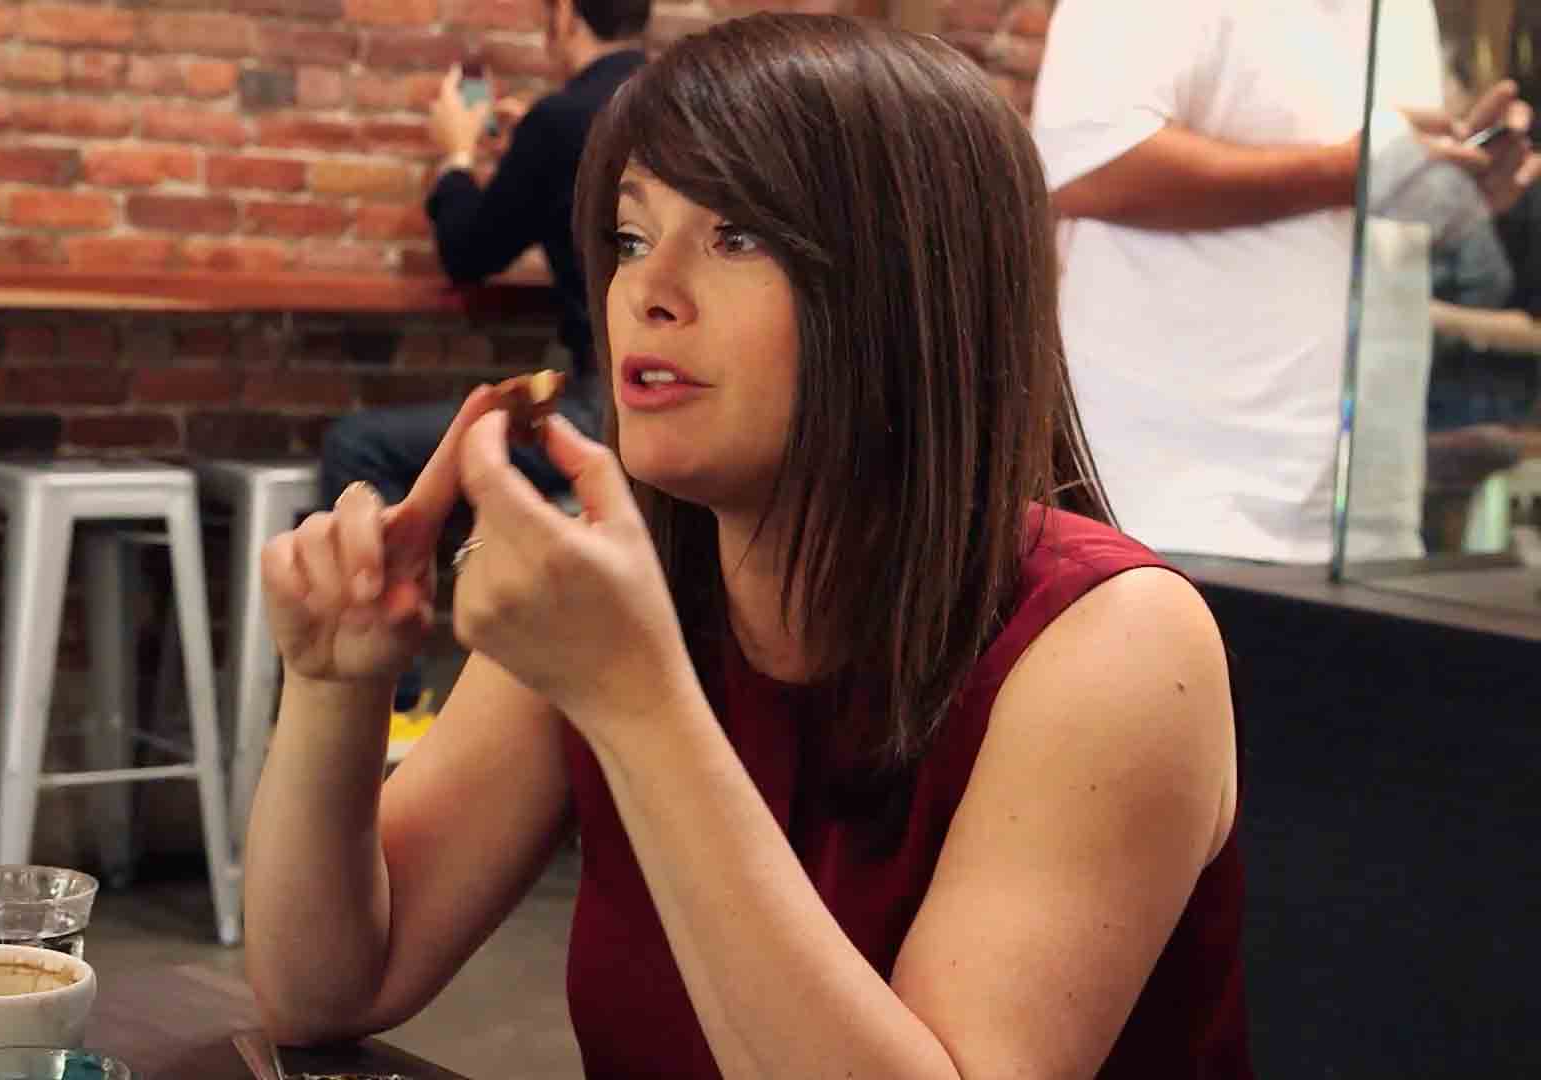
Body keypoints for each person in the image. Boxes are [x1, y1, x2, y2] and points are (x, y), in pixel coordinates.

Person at [244, 15, 1249, 1077]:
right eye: (632, 237)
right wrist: (333, 688)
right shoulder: (630, 585)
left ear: (914, 288)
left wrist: (637, 703)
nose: (648, 291)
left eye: (737, 237)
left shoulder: (1117, 643)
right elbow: (324, 990)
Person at [1032, 0, 1539, 563]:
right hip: (1179, 504)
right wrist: (1349, 172)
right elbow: (1089, 167)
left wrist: (1452, 186)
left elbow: (1360, 194)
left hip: (1368, 518)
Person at [316, 0, 647, 716]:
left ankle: (392, 708)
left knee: (356, 446)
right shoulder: (663, 106)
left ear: (565, 15)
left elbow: (469, 251)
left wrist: (457, 157)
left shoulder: (563, 121)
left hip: (604, 409)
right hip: (642, 401)